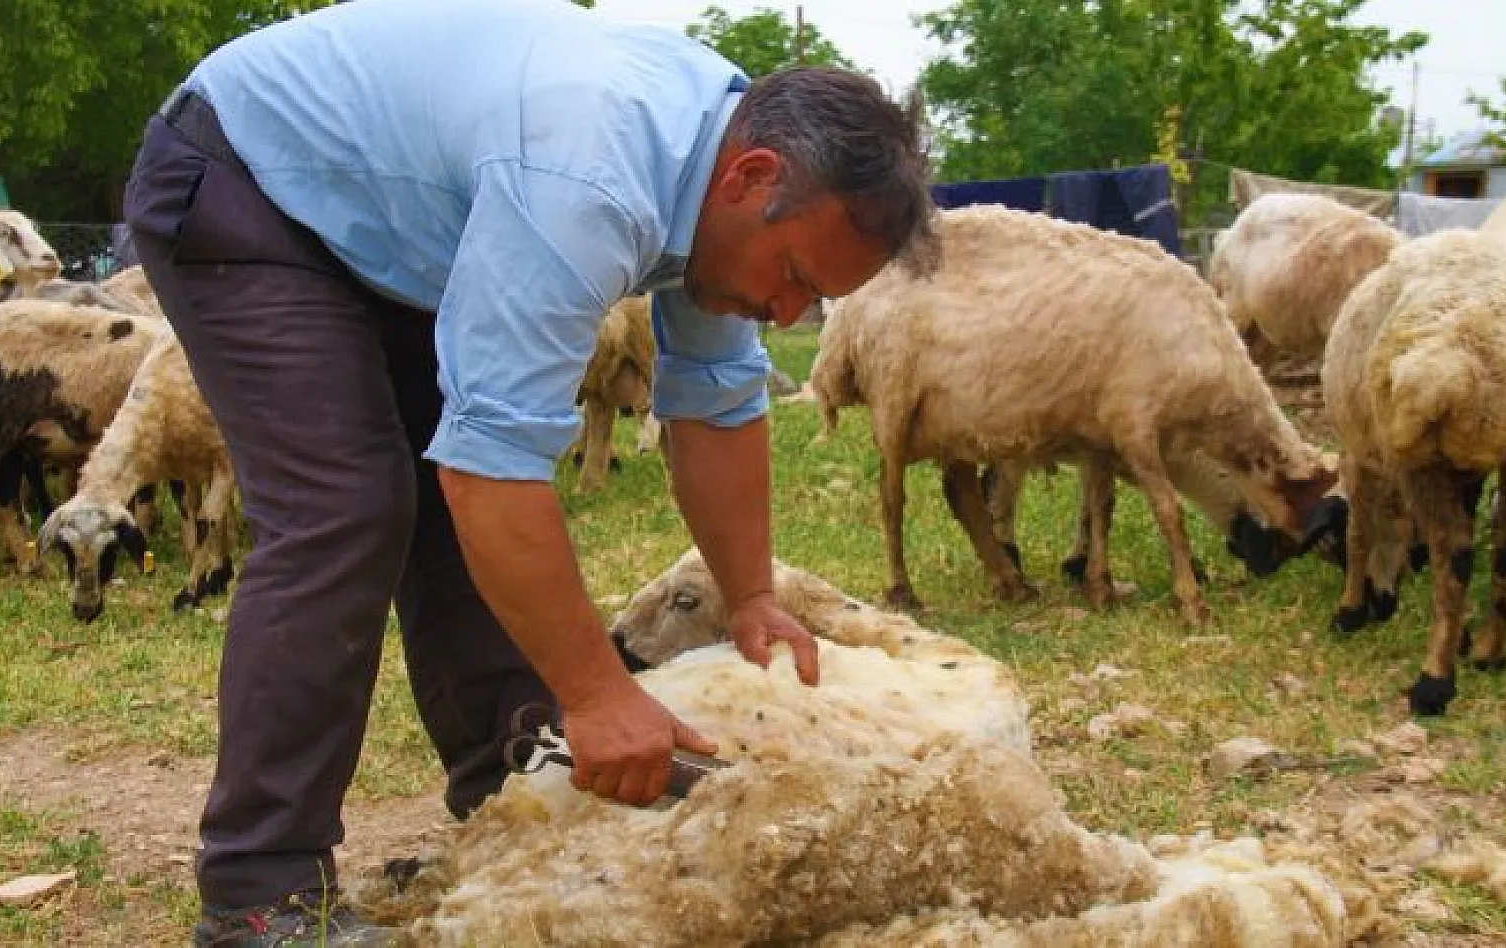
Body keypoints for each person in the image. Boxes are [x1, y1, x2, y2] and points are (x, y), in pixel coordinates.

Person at [121, 0, 935, 943]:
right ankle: (260, 893)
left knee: (436, 500)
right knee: (345, 508)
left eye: (814, 299)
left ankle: (515, 803)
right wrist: (595, 692)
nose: (785, 311)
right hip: (247, 177)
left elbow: (714, 399)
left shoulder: (723, 180)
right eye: (794, 275)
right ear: (752, 178)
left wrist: (749, 595)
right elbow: (495, 473)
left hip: (392, 225)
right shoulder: (590, 178)